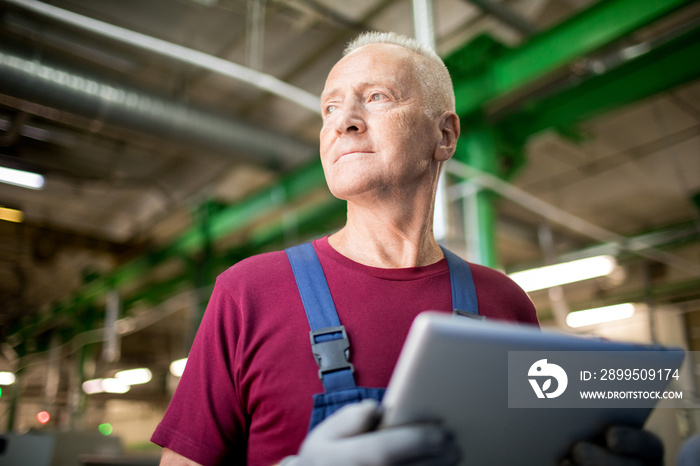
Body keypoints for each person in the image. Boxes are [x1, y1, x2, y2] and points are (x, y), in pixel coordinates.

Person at [151, 32, 663, 466]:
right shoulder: (249, 291)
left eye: (376, 97)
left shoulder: (506, 302)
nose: (342, 121)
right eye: (330, 107)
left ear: (444, 134)